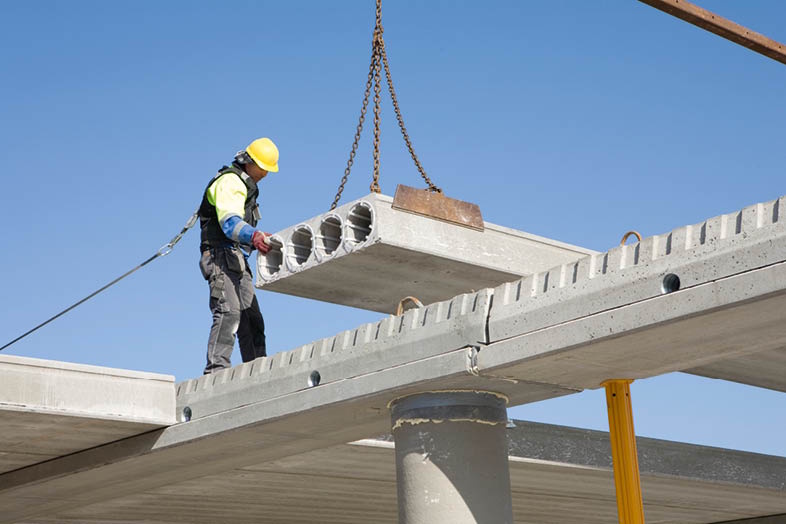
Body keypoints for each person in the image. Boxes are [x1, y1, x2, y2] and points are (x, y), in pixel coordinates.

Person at [197, 137, 279, 374]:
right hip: (219, 255)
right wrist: (254, 236)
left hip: (235, 256)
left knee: (251, 318)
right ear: (249, 162)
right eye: (263, 168)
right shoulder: (230, 182)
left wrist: (255, 237)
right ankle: (216, 372)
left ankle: (257, 372)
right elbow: (229, 223)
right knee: (229, 311)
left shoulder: (245, 185)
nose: (265, 174)